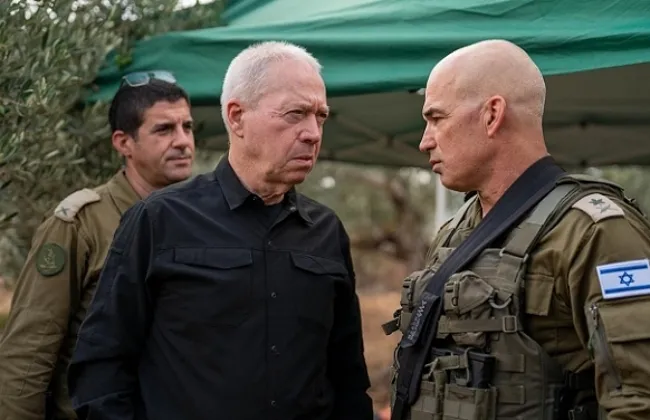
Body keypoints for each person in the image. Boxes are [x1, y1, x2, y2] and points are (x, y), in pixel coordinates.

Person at [66, 41, 374, 420]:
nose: (312, 133)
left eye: (320, 116)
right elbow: (101, 368)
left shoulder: (326, 231)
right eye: (295, 114)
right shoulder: (158, 221)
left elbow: (347, 376)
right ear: (237, 117)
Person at [385, 39, 650, 419]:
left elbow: (639, 400)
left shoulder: (594, 233)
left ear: (492, 115)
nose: (425, 141)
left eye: (437, 118)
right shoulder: (456, 230)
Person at [0, 72, 195, 420]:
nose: (182, 141)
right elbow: (30, 348)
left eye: (188, 127)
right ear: (124, 143)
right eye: (164, 129)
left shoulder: (202, 223)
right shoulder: (80, 224)